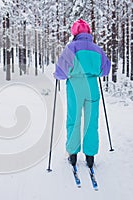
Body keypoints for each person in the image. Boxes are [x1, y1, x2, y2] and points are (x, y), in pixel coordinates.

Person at [54, 19, 111, 168]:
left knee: (74, 119)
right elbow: (104, 70)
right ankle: (90, 155)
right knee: (91, 120)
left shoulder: (71, 48)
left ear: (75, 33)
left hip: (75, 86)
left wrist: (57, 75)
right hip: (91, 86)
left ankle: (73, 154)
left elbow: (61, 72)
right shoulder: (97, 49)